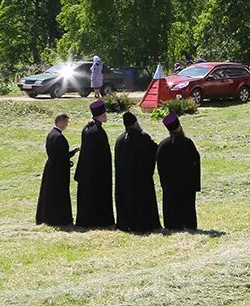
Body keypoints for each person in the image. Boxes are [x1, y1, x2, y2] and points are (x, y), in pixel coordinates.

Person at [114, 111, 160, 233]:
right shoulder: (143, 137)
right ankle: (143, 223)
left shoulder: (119, 140)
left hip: (124, 180)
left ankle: (126, 223)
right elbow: (152, 152)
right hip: (140, 179)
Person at [156, 112, 201, 230]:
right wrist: (195, 183)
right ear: (179, 126)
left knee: (171, 205)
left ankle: (172, 224)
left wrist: (163, 182)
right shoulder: (187, 143)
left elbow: (160, 166)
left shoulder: (163, 145)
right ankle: (188, 223)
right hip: (186, 183)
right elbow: (196, 163)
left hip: (170, 184)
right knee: (187, 206)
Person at [74, 99, 114, 228]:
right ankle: (98, 220)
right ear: (101, 115)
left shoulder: (88, 128)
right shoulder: (97, 132)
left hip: (87, 170)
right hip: (95, 171)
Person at [36, 112, 76, 226]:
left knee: (49, 193)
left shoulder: (51, 134)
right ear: (61, 122)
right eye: (66, 122)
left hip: (52, 167)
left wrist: (72, 153)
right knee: (58, 194)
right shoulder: (59, 137)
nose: (66, 125)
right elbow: (61, 156)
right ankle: (59, 218)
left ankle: (47, 216)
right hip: (58, 170)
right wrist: (69, 159)